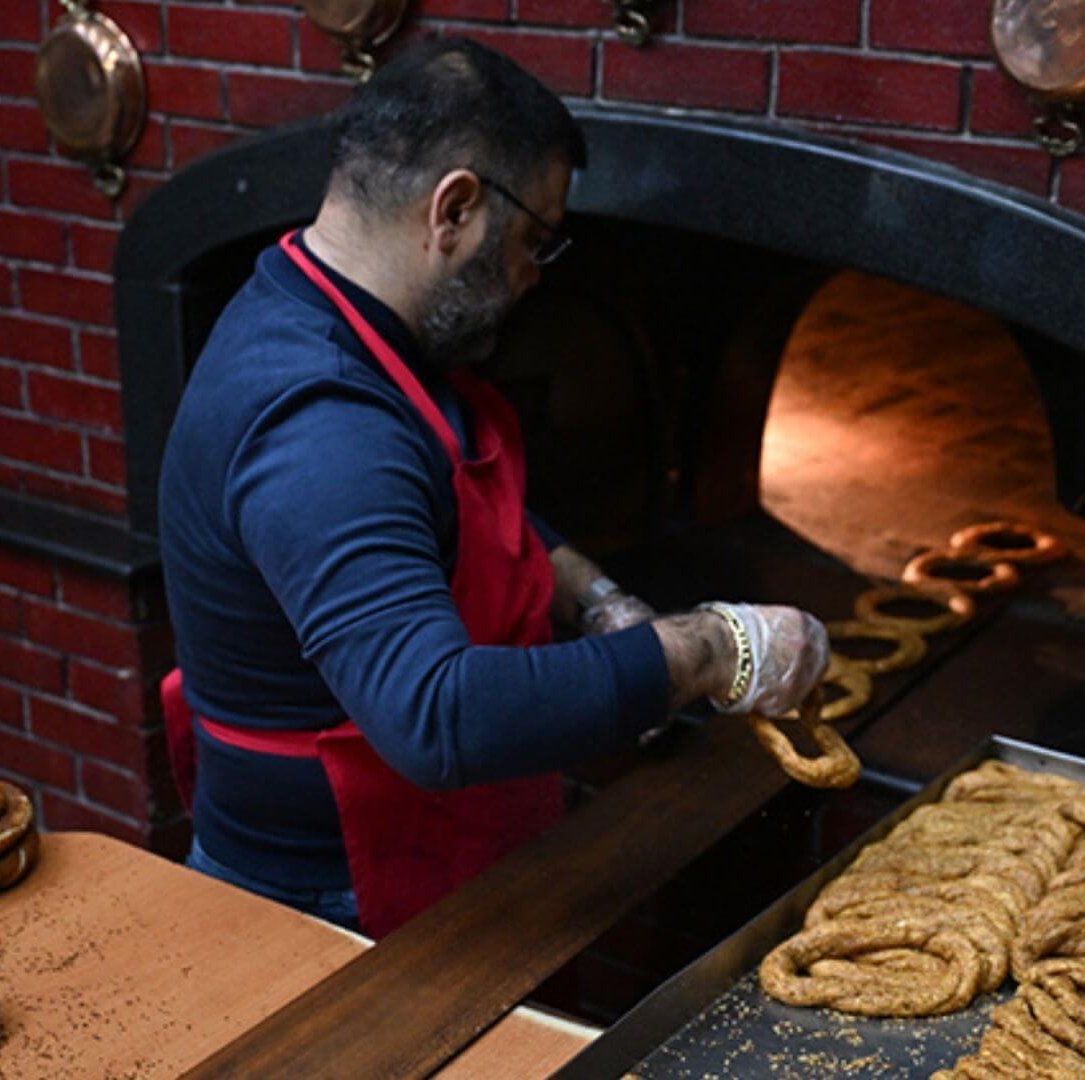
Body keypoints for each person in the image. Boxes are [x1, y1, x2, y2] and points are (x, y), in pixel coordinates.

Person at [156, 36, 829, 938]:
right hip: (336, 897)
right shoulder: (321, 423)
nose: (531, 278)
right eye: (533, 242)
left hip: (411, 845)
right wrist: (712, 649)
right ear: (456, 208)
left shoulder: (339, 314)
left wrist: (597, 599)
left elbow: (457, 509)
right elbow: (436, 715)